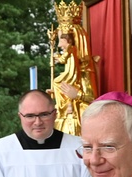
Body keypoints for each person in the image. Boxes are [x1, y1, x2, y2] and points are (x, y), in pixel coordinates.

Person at [49, 1, 98, 136]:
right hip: (63, 121)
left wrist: (76, 95)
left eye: (61, 41)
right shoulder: (68, 66)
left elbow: (92, 98)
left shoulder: (85, 68)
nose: (59, 46)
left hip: (80, 121)